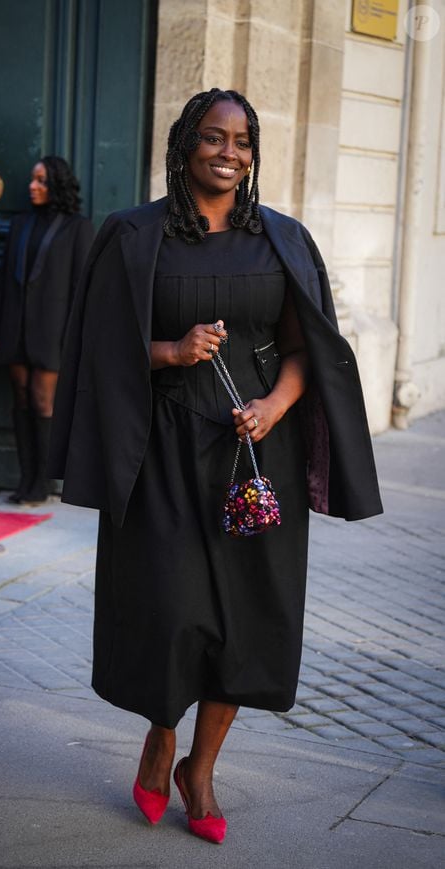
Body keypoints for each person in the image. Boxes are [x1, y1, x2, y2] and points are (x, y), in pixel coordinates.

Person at [48, 89, 383, 843]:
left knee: (246, 620)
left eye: (242, 141)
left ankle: (200, 769)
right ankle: (161, 736)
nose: (228, 153)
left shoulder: (282, 239)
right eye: (213, 137)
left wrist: (275, 406)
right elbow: (96, 349)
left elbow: (304, 348)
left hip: (256, 458)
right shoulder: (134, 236)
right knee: (171, 611)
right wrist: (172, 350)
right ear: (184, 144)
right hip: (162, 452)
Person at [0, 156, 94, 504]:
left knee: (43, 402)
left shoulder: (78, 227)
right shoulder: (20, 223)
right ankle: (26, 478)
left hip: (52, 330)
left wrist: (73, 338)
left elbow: (81, 288)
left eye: (41, 180)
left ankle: (43, 484)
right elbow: (3, 279)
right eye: (33, 180)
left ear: (56, 185)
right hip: (14, 325)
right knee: (20, 399)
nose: (32, 186)